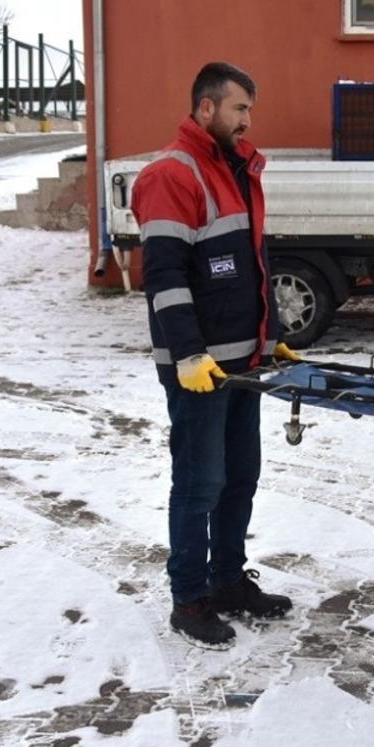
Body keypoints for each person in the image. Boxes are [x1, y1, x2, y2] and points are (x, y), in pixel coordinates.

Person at [131, 61, 300, 648]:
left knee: (239, 478)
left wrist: (267, 332)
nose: (248, 119)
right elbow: (165, 277)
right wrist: (188, 354)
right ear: (207, 108)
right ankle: (190, 597)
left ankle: (228, 580)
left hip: (242, 363)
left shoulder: (238, 170)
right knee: (199, 483)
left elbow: (252, 265)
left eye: (248, 109)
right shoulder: (171, 176)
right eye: (239, 109)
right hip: (199, 369)